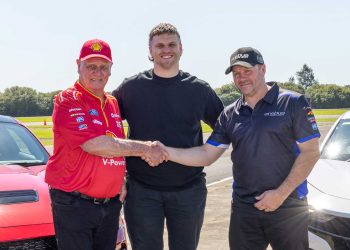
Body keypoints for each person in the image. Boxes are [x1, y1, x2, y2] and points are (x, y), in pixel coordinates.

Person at [157, 47, 321, 250]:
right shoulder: (229, 114)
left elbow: (311, 152)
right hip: (245, 208)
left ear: (263, 69)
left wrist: (280, 194)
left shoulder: (293, 103)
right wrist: (163, 151)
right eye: (236, 74)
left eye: (247, 71)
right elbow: (207, 154)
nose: (242, 78)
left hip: (288, 206)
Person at [45, 38, 166, 250]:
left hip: (109, 205)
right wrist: (146, 148)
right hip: (74, 204)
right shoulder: (68, 100)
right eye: (91, 66)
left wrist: (119, 179)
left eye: (103, 67)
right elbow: (95, 144)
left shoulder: (111, 103)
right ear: (78, 65)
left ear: (111, 69)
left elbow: (115, 144)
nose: (97, 72)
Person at [112, 23, 224, 250]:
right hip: (142, 191)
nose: (166, 49)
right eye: (160, 45)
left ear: (181, 48)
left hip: (188, 191)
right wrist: (118, 175)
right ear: (150, 50)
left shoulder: (199, 89)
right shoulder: (131, 87)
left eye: (172, 44)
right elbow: (109, 129)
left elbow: (224, 129)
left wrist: (204, 155)